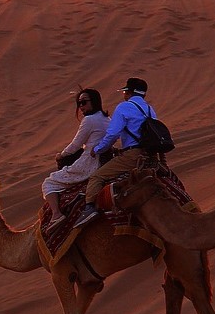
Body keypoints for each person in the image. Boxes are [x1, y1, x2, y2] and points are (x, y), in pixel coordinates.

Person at [74, 77, 158, 227]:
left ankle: (89, 208)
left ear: (128, 92)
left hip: (133, 156)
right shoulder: (150, 109)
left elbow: (113, 134)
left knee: (96, 177)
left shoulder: (124, 107)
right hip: (150, 156)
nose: (124, 94)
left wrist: (98, 149)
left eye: (125, 91)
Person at [42, 88, 111, 229]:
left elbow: (76, 144)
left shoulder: (89, 120)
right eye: (79, 103)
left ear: (94, 101)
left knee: (49, 182)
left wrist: (61, 155)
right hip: (105, 160)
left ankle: (56, 215)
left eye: (84, 102)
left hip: (89, 163)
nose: (81, 107)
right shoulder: (107, 119)